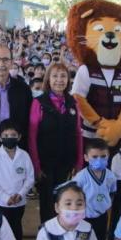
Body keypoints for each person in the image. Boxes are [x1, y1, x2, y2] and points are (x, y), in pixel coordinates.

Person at [28, 63, 84, 223]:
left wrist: (79, 163)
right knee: (48, 204)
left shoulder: (73, 102)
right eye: (55, 76)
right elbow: (32, 137)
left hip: (67, 163)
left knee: (66, 201)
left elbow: (78, 133)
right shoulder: (39, 103)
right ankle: (47, 238)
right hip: (46, 165)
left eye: (63, 76)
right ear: (48, 79)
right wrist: (36, 166)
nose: (59, 80)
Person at [0, 119, 35, 240]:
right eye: (6, 134)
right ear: (0, 137)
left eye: (13, 134)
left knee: (16, 228)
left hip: (19, 202)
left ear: (19, 137)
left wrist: (20, 195)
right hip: (1, 203)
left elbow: (30, 178)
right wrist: (6, 197)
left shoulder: (24, 156)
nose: (9, 137)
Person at [72, 138, 117, 240]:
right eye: (95, 157)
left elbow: (111, 193)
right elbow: (74, 196)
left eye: (103, 156)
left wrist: (103, 207)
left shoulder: (110, 176)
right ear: (86, 158)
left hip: (101, 217)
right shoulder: (81, 177)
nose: (99, 160)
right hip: (83, 219)